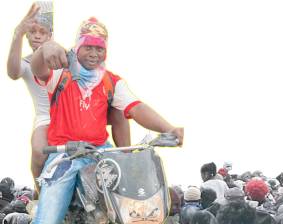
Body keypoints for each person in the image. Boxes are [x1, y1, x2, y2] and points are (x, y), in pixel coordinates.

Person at [30, 17, 184, 223]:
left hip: (101, 153)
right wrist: (44, 49)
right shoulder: (61, 73)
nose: (94, 54)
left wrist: (169, 128)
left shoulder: (111, 81)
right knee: (48, 219)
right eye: (88, 47)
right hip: (65, 154)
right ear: (77, 47)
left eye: (99, 49)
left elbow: (137, 108)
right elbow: (38, 69)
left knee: (132, 206)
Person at [6, 3, 130, 198]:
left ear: (51, 36)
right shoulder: (27, 62)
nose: (37, 35)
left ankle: (125, 162)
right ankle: (42, 191)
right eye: (32, 32)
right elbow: (12, 72)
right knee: (39, 151)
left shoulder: (60, 54)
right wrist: (17, 34)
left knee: (120, 110)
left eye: (43, 32)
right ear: (27, 36)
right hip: (47, 116)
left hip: (79, 109)